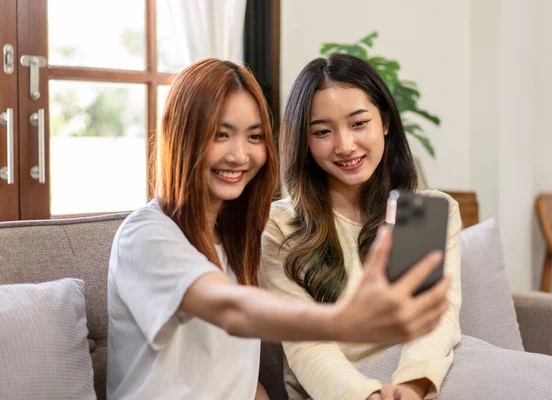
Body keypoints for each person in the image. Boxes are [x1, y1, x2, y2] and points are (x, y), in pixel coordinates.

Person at [105, 58, 451, 400]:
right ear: (180, 136)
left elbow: (227, 373)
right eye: (220, 134)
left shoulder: (238, 237)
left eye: (254, 136)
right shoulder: (147, 234)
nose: (240, 155)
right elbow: (232, 311)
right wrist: (343, 321)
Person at [259, 53, 462, 400]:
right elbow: (307, 346)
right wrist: (368, 396)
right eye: (322, 131)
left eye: (358, 124)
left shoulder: (427, 210)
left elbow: (438, 318)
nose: (345, 145)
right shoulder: (280, 227)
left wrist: (412, 385)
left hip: (425, 381)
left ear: (384, 121)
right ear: (305, 143)